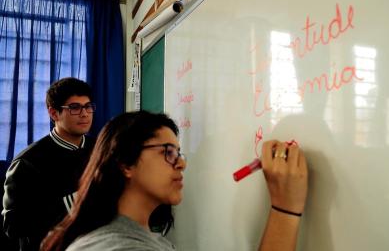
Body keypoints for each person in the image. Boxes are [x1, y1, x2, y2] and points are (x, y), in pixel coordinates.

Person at [41, 110, 308, 251]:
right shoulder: (118, 246)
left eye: (179, 152)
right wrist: (285, 208)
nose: (183, 162)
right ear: (125, 163)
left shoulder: (138, 237)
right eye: (168, 152)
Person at [2, 77, 96, 251]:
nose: (84, 113)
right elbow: (13, 226)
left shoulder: (101, 149)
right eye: (75, 107)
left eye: (88, 106)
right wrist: (76, 201)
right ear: (54, 113)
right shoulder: (28, 161)